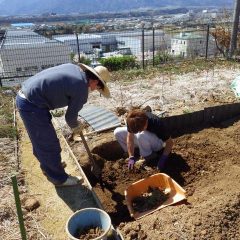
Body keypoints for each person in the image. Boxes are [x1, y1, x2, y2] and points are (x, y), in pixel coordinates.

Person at [16, 63, 111, 186]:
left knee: (41, 141)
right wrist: (76, 127)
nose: (94, 90)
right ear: (95, 81)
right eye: (98, 87)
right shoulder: (82, 88)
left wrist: (75, 124)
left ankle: (49, 166)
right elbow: (70, 117)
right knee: (48, 144)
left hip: (28, 97)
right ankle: (59, 179)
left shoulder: (74, 69)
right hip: (32, 105)